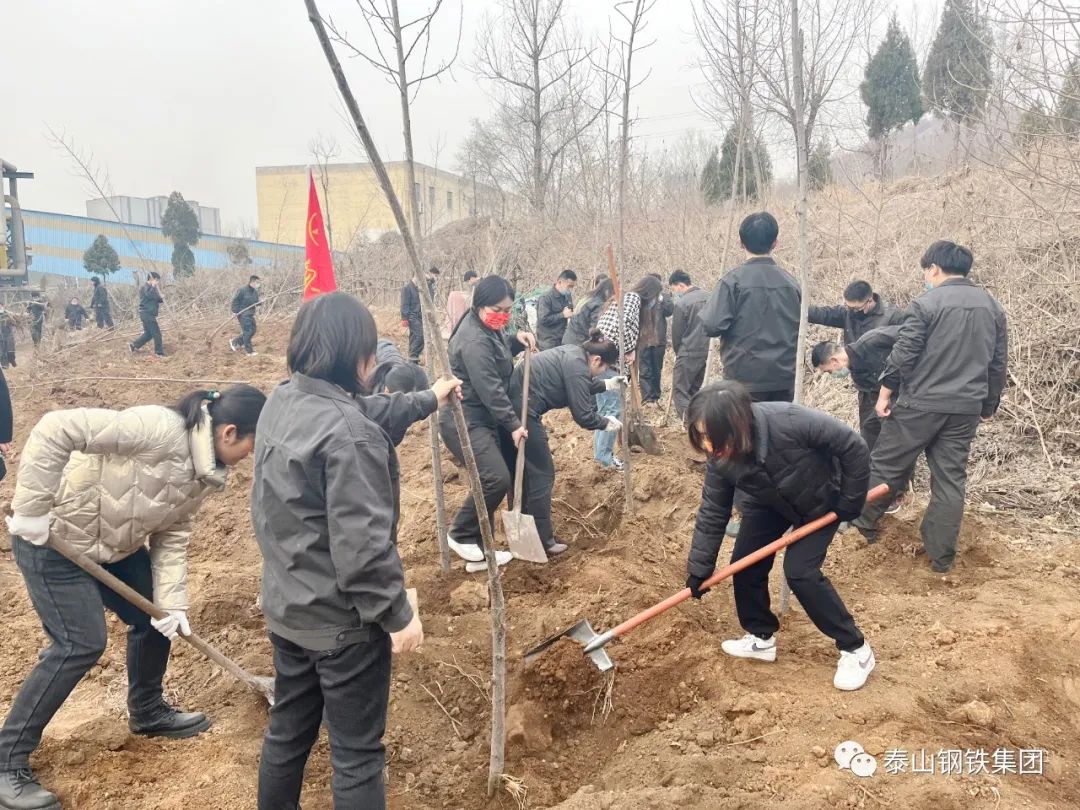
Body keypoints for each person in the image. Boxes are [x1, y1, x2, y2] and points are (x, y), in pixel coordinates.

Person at [0, 384, 267, 810]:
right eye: (251, 445)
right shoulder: (157, 428)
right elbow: (56, 428)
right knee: (80, 644)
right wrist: (33, 508)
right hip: (53, 541)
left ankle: (147, 711)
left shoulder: (207, 474)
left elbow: (173, 534)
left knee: (155, 616)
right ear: (229, 432)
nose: (249, 457)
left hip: (114, 549)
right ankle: (7, 759)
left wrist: (173, 604)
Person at [252, 293, 460, 810]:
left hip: (289, 608)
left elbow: (364, 410)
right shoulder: (351, 439)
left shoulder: (283, 400)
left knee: (288, 732)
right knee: (357, 755)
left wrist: (427, 399)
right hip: (343, 627)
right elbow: (363, 551)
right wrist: (398, 615)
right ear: (356, 356)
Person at [684, 381, 875, 691]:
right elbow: (713, 511)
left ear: (738, 424)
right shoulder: (719, 457)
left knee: (800, 572)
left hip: (822, 500)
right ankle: (760, 637)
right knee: (745, 564)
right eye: (701, 436)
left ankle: (856, 649)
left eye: (713, 435)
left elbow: (853, 446)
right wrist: (699, 569)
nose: (708, 445)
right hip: (769, 501)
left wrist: (849, 502)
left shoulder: (790, 421)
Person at [853, 241, 1008, 574]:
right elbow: (997, 362)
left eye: (926, 271)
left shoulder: (926, 304)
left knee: (887, 463)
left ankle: (861, 526)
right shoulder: (992, 307)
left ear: (934, 268)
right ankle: (941, 558)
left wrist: (884, 394)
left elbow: (904, 354)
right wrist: (988, 404)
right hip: (965, 407)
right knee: (950, 479)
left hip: (920, 403)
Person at [439, 275, 537, 572]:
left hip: (483, 418)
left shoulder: (486, 326)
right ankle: (460, 533)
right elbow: (490, 389)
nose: (503, 316)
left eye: (508, 310)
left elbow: (499, 347)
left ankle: (480, 554)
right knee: (496, 478)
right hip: (465, 420)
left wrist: (516, 340)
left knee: (490, 479)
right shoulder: (473, 341)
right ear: (480, 304)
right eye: (498, 310)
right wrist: (513, 424)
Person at [509, 331, 623, 556]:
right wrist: (606, 423)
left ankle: (526, 532)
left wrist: (606, 385)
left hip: (516, 405)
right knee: (542, 473)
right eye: (605, 369)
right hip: (522, 411)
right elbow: (583, 416)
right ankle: (543, 540)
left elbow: (578, 385)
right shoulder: (577, 366)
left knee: (526, 473)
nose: (603, 373)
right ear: (596, 360)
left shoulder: (574, 353)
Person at [699, 212, 801, 403]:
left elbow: (711, 325)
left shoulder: (732, 282)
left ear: (741, 243)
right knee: (779, 423)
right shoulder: (791, 283)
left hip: (743, 380)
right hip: (785, 379)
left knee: (746, 423)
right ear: (775, 243)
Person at [593, 275, 662, 470]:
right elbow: (622, 325)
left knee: (605, 411)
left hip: (603, 360)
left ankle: (601, 455)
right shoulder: (633, 298)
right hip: (607, 362)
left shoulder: (625, 298)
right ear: (650, 292)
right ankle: (605, 458)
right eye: (656, 296)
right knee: (611, 411)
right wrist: (630, 349)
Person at [669, 270, 710, 420]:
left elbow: (677, 333)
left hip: (687, 351)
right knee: (694, 391)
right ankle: (700, 420)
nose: (675, 293)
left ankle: (690, 422)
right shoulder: (710, 297)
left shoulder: (682, 303)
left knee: (679, 391)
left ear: (680, 285)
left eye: (674, 289)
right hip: (705, 351)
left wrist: (678, 353)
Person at [637, 273, 674, 405]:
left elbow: (669, 311)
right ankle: (647, 398)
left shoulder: (664, 297)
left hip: (658, 340)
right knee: (644, 370)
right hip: (643, 340)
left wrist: (661, 299)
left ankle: (656, 396)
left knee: (656, 369)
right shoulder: (641, 298)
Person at [400, 266, 439, 363]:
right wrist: (404, 318)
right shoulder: (407, 288)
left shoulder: (420, 288)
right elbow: (404, 304)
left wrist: (431, 280)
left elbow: (430, 294)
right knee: (420, 335)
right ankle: (413, 357)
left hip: (421, 316)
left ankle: (412, 358)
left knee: (414, 337)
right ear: (415, 276)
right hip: (412, 316)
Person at [563, 277, 613, 346]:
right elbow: (595, 330)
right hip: (578, 343)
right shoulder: (598, 304)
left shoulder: (587, 298)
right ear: (607, 292)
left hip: (569, 337)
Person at [535, 269, 578, 351]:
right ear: (560, 282)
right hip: (548, 341)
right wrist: (562, 315)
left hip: (562, 338)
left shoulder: (567, 295)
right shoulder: (546, 298)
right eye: (569, 286)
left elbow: (569, 311)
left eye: (572, 287)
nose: (570, 289)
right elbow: (543, 320)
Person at [130, 272, 165, 357]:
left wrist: (161, 298)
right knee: (157, 333)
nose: (157, 282)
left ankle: (134, 345)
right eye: (156, 280)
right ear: (152, 279)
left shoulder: (152, 288)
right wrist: (153, 286)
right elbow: (149, 295)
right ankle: (159, 353)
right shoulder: (145, 287)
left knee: (149, 334)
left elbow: (155, 298)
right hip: (146, 313)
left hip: (148, 314)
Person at [229, 275, 261, 356]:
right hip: (242, 314)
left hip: (250, 314)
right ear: (252, 282)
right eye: (257, 282)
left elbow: (256, 301)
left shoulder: (254, 292)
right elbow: (235, 300)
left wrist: (259, 304)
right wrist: (234, 311)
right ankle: (249, 351)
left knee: (253, 330)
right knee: (248, 331)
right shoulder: (242, 290)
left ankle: (235, 342)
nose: (258, 284)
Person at [444, 269, 480, 338]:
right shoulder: (477, 285)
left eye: (468, 281)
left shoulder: (479, 285)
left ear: (471, 278)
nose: (468, 283)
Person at [0, 304, 16, 368]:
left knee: (11, 350)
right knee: (2, 351)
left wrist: (11, 320)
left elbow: (14, 322)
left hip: (9, 334)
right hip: (0, 336)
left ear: (3, 306)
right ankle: (5, 364)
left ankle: (12, 360)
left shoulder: (8, 313)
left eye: (0, 305)